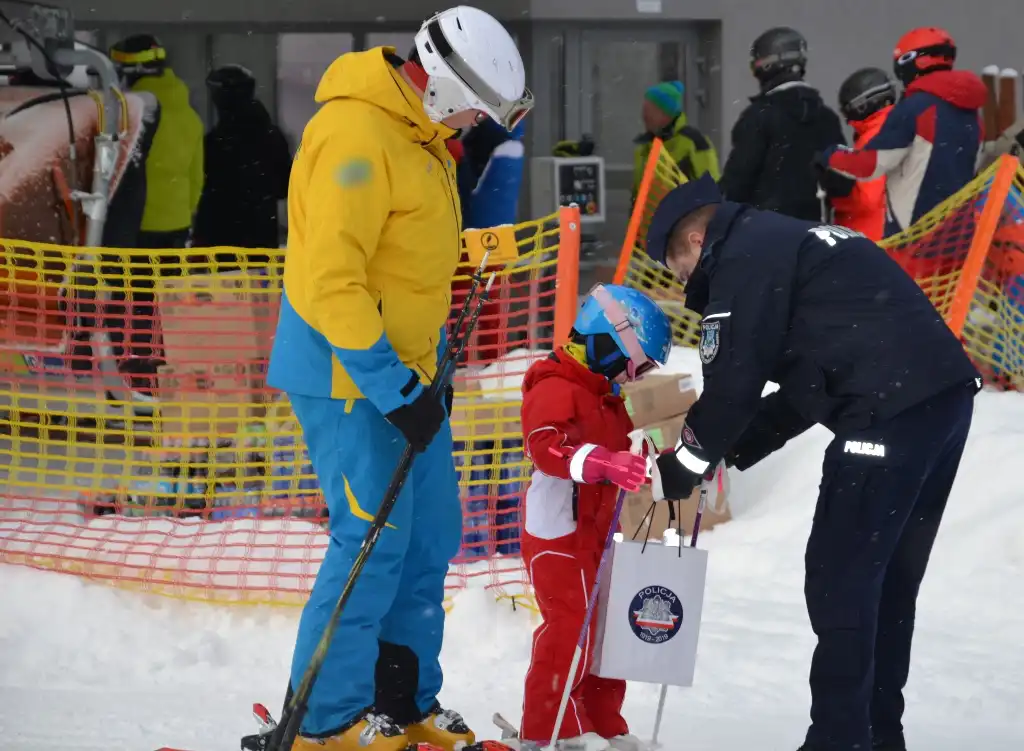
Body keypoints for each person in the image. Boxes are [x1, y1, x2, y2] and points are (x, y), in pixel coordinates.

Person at [265, 6, 533, 751]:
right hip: (350, 375)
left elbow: (400, 248)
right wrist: (393, 386)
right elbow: (331, 279)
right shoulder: (356, 134)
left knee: (428, 540)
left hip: (413, 374)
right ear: (446, 85)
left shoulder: (425, 137)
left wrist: (469, 250)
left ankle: (402, 699)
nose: (479, 124)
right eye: (478, 107)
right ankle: (326, 721)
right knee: (371, 541)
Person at [642, 173, 981, 751]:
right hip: (940, 405)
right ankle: (878, 732)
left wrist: (687, 462)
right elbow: (814, 380)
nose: (684, 282)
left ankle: (839, 738)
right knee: (887, 581)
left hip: (886, 415)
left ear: (696, 241)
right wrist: (734, 449)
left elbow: (732, 386)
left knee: (840, 578)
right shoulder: (788, 240)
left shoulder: (741, 261)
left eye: (679, 269)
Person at [518, 284, 672, 751]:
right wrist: (604, 462)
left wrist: (656, 462)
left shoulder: (605, 396)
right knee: (570, 628)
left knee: (607, 630)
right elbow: (545, 446)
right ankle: (548, 730)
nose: (634, 376)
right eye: (637, 364)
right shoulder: (554, 385)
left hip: (600, 531)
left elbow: (623, 450)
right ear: (610, 338)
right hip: (559, 531)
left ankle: (602, 721)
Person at [819, 27, 987, 237]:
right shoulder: (972, 115)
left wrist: (831, 156)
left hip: (914, 237)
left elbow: (870, 165)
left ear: (911, 62)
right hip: (958, 236)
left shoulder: (915, 108)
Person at [718, 27, 846, 221]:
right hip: (815, 231)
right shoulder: (827, 118)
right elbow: (842, 184)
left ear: (765, 67)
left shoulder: (759, 116)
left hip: (766, 230)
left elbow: (736, 184)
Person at [109, 34, 204, 249]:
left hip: (135, 225)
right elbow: (196, 178)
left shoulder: (130, 115)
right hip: (177, 224)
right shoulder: (190, 116)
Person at [192, 64, 292, 256]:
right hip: (262, 239)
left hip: (223, 241)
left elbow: (206, 195)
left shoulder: (215, 142)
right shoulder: (272, 136)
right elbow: (283, 187)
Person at [827, 68, 898, 241]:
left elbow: (867, 199)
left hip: (871, 235)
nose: (848, 120)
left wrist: (836, 194)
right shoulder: (900, 127)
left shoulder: (874, 139)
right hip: (895, 233)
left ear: (862, 105)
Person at [633, 80, 719, 197]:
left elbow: (711, 191)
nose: (644, 117)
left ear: (666, 113)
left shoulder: (694, 143)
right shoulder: (643, 148)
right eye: (644, 111)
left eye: (650, 111)